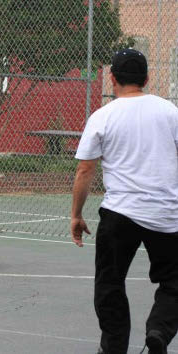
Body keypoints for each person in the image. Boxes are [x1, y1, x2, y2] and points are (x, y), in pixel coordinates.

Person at [71, 48, 178, 354]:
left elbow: (85, 169)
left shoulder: (102, 116)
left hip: (120, 215)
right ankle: (159, 328)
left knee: (110, 283)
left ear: (112, 78)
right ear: (146, 78)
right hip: (166, 213)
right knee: (174, 281)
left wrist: (76, 214)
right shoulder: (169, 111)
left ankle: (114, 347)